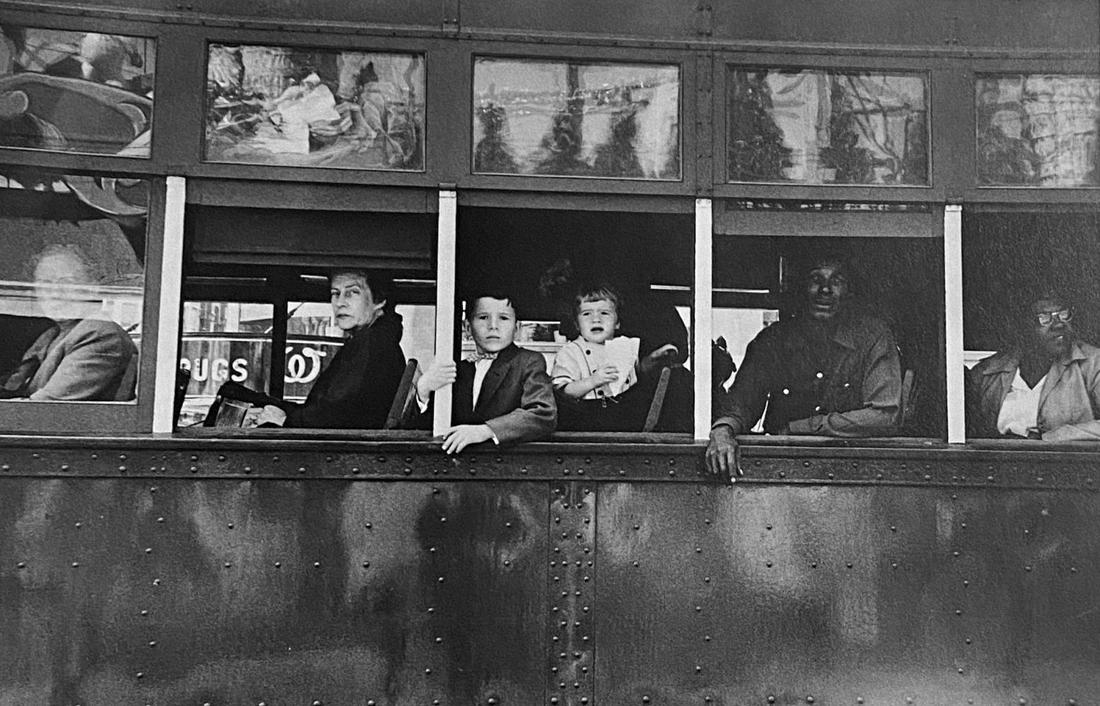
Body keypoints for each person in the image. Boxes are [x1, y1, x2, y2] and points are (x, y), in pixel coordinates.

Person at [706, 256, 902, 479]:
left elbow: (884, 415)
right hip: (781, 472)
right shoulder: (773, 340)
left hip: (854, 472)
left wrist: (801, 428)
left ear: (849, 291)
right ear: (801, 288)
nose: (825, 289)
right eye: (815, 279)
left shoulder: (873, 337)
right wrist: (723, 431)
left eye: (837, 281)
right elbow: (741, 404)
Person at [254, 269, 406, 429]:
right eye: (335, 293)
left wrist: (286, 420)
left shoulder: (372, 343)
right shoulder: (374, 339)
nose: (340, 303)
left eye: (352, 293)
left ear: (379, 299)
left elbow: (334, 413)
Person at [413, 290, 556, 453]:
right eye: (483, 317)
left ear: (516, 328)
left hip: (506, 465)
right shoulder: (458, 370)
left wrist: (485, 431)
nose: (493, 326)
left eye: (503, 318)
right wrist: (423, 390)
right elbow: (424, 428)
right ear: (467, 327)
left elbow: (543, 413)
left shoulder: (528, 361)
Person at [0, 243, 136, 401]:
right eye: (45, 284)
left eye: (67, 282)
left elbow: (44, 406)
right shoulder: (51, 335)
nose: (55, 293)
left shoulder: (100, 334)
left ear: (92, 287)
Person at [966, 293, 1100, 441]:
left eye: (1063, 314)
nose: (1058, 324)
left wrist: (1057, 436)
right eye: (1044, 317)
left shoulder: (1093, 364)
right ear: (1023, 325)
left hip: (1064, 462)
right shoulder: (988, 373)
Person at [551, 283, 677, 431]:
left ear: (617, 323)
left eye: (604, 313)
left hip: (622, 417)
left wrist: (655, 358)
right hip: (585, 421)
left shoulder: (624, 346)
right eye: (587, 314)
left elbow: (636, 373)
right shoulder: (569, 352)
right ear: (577, 324)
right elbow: (564, 392)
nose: (596, 319)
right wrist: (593, 380)